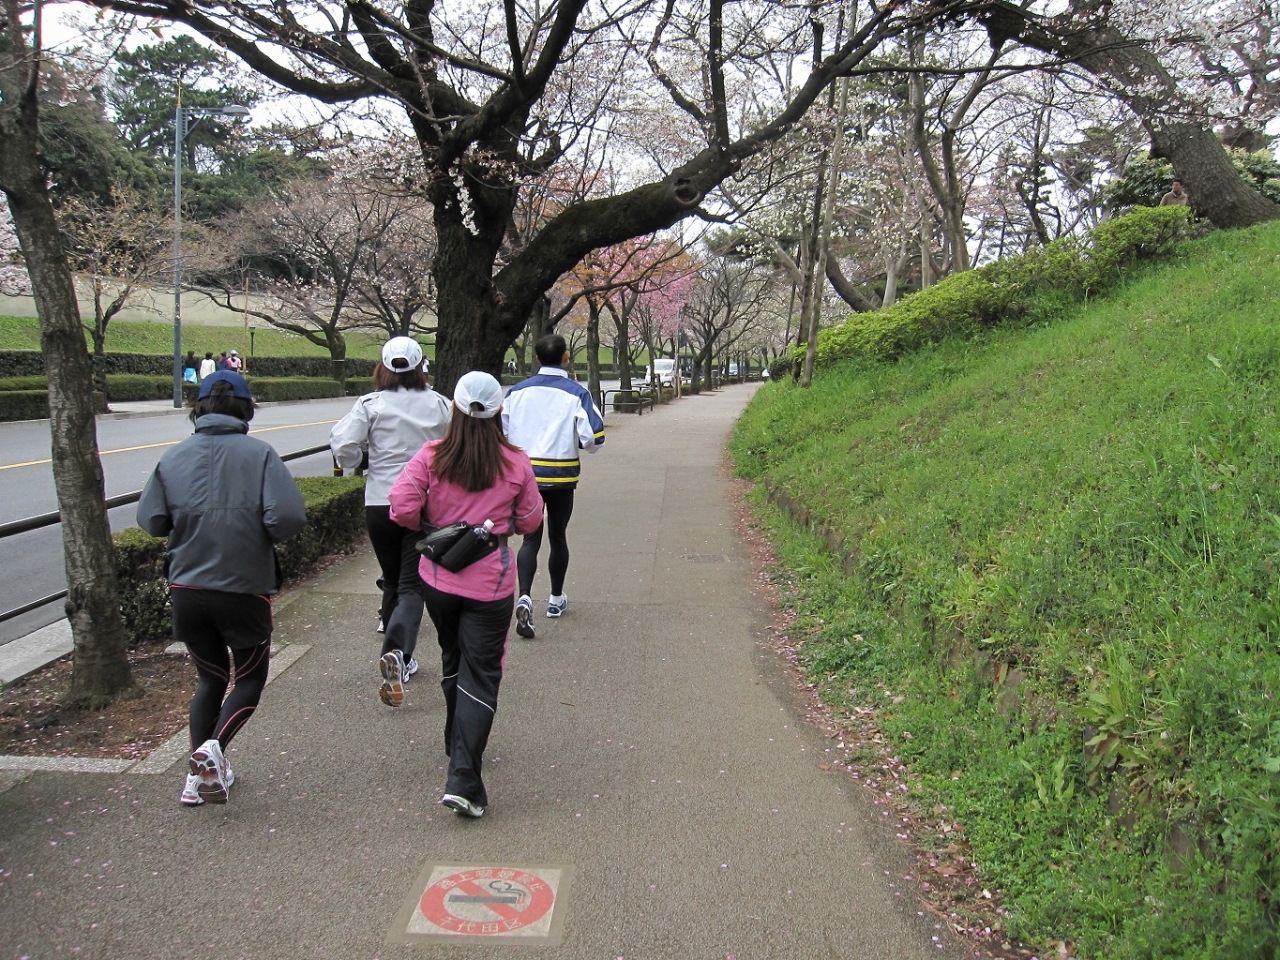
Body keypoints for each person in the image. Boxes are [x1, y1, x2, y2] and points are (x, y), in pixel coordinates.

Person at [136, 371, 306, 806]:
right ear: (247, 409)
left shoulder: (172, 458)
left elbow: (152, 521)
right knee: (249, 679)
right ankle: (212, 751)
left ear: (199, 408)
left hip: (187, 587)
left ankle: (196, 780)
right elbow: (286, 520)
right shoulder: (261, 455)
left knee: (209, 679)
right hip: (244, 586)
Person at [388, 371, 543, 818]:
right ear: (498, 413)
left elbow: (400, 507)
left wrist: (437, 527)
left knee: (454, 657)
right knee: (483, 673)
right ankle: (464, 777)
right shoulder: (514, 463)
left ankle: (456, 738)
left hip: (437, 579)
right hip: (489, 584)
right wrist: (499, 524)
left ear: (454, 408)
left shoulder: (432, 457)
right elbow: (532, 521)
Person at [330, 337, 452, 706]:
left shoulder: (370, 405)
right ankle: (400, 653)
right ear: (420, 367)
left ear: (383, 367)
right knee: (414, 586)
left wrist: (363, 461)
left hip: (380, 502)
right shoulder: (440, 405)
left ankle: (395, 645)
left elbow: (343, 447)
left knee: (393, 579)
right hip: (423, 504)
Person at [502, 333, 605, 639]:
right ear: (566, 356)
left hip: (525, 475)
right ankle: (555, 600)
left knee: (530, 538)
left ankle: (523, 595)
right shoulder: (576, 393)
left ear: (536, 359)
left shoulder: (516, 392)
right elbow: (595, 438)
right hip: (560, 476)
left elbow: (500, 432)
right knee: (558, 535)